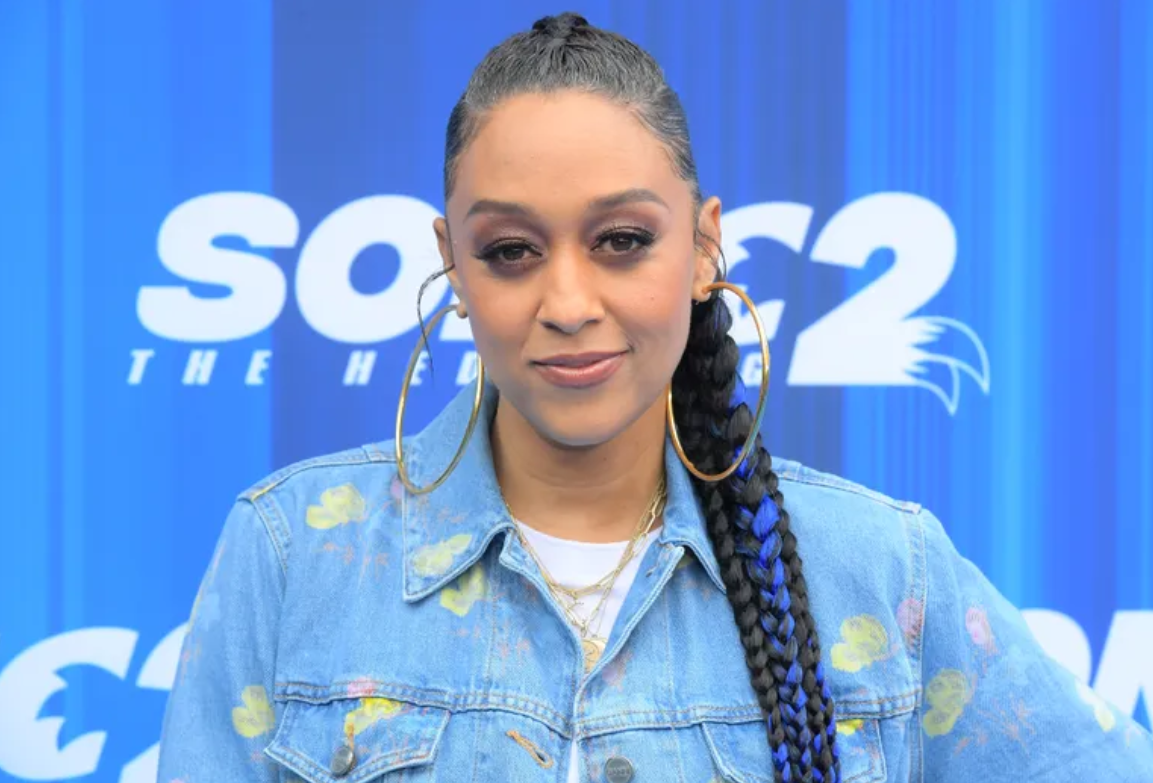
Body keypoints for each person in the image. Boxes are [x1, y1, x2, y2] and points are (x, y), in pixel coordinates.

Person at [157, 12, 1153, 783]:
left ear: (704, 245)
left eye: (622, 241)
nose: (567, 303)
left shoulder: (879, 569)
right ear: (451, 264)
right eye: (510, 250)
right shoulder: (290, 555)